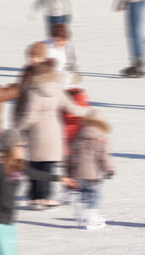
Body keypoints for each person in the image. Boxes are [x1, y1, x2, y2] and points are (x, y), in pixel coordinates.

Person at [14, 59, 89, 209]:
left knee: (35, 165)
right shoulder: (57, 89)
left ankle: (36, 197)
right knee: (48, 166)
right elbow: (71, 107)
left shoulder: (33, 90)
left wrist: (16, 128)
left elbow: (30, 116)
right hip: (54, 131)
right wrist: (89, 113)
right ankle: (44, 197)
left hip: (37, 133)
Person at [0, 129, 77, 254]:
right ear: (12, 147)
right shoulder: (2, 167)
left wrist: (60, 178)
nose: (24, 149)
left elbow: (37, 174)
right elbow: (4, 195)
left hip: (9, 219)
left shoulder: (18, 165)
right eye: (21, 146)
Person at [68, 109, 114, 230]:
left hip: (79, 172)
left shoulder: (79, 135)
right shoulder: (101, 137)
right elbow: (104, 156)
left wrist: (72, 169)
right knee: (95, 194)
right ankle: (91, 217)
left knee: (83, 191)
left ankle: (82, 211)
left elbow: (73, 153)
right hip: (94, 175)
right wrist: (109, 169)